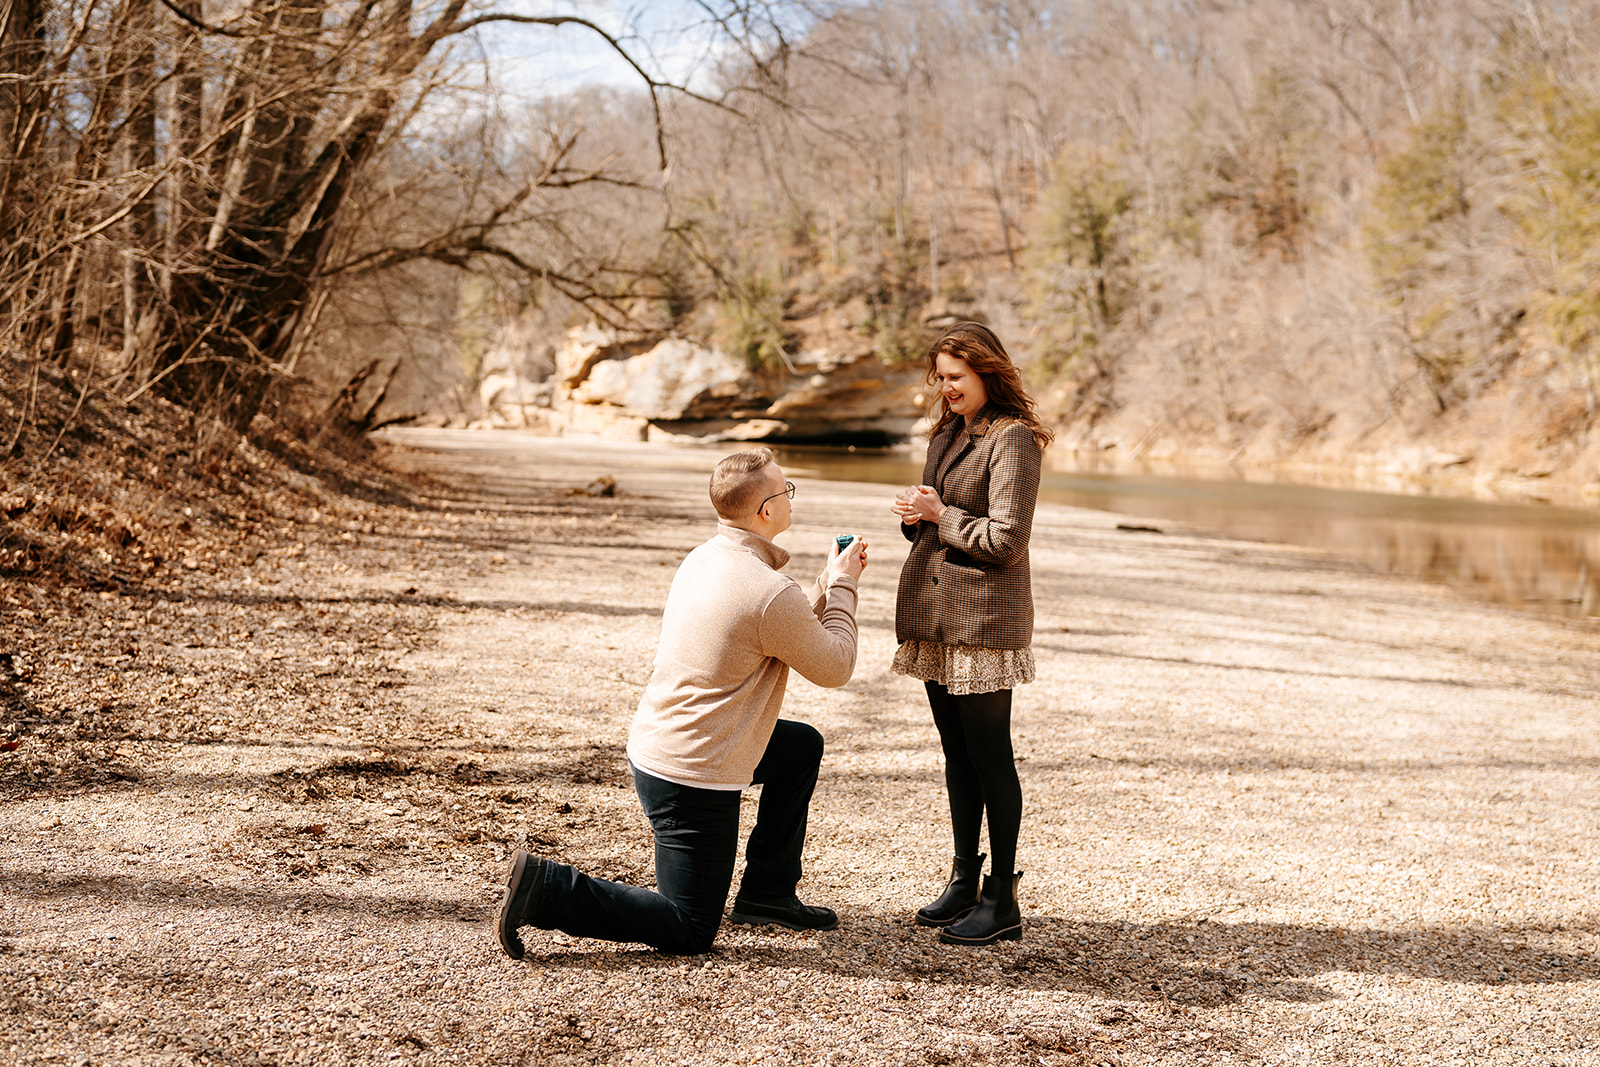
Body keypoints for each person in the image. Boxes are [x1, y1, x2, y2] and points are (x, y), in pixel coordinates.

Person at [497, 447, 867, 958]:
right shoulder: (769, 591)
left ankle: (767, 893)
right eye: (786, 491)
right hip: (692, 774)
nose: (790, 499)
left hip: (663, 742)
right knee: (689, 926)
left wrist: (825, 584)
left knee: (799, 747)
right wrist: (846, 584)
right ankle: (548, 888)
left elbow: (780, 628)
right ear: (765, 511)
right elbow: (835, 666)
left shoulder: (707, 556)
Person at [888, 321, 1052, 946]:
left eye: (956, 378)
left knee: (990, 758)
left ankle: (1002, 897)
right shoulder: (947, 432)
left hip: (983, 621)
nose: (946, 388)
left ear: (987, 371)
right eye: (941, 378)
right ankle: (963, 879)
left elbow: (1006, 541)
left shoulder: (1014, 439)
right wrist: (916, 517)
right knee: (956, 755)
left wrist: (939, 514)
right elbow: (936, 523)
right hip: (936, 615)